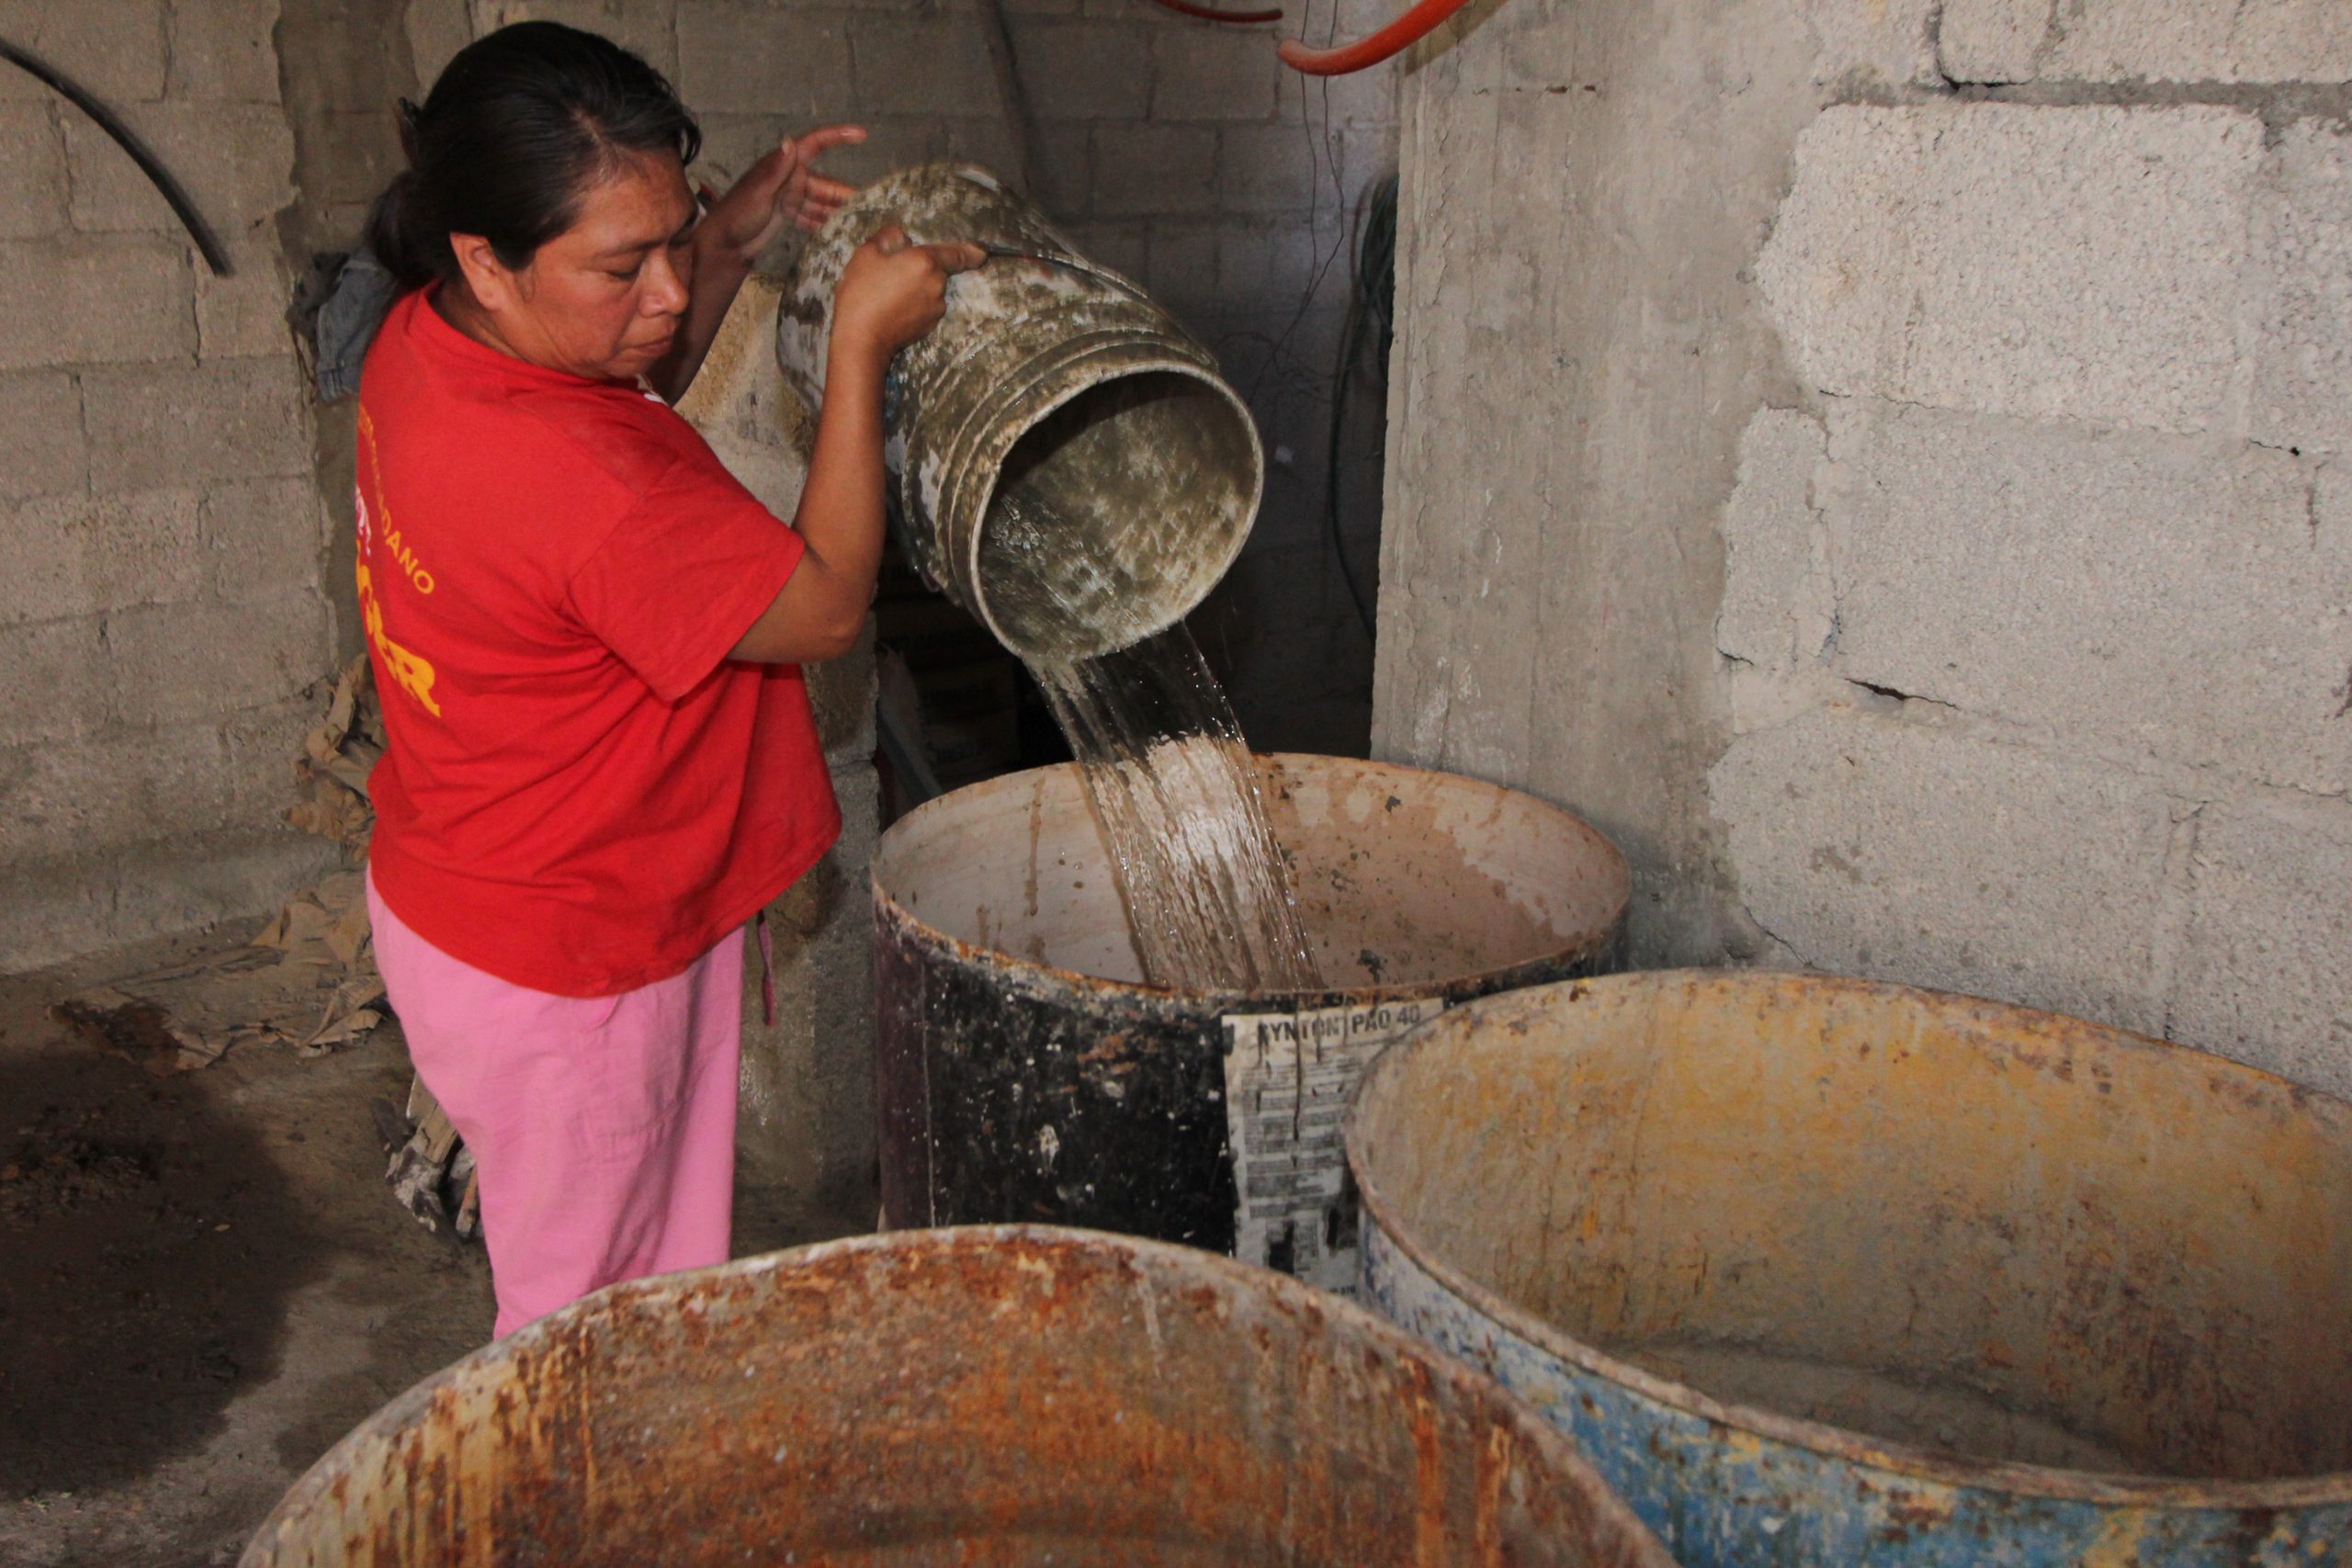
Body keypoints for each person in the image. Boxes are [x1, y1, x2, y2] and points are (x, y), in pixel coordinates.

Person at [353, 20, 984, 1338]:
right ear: (487, 252)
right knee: (578, 1341)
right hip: (570, 961)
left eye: (674, 234)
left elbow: (631, 377)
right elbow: (819, 606)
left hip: (491, 893)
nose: (661, 294)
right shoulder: (580, 485)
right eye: (622, 265)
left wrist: (729, 237)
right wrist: (860, 344)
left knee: (645, 1288)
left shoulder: (434, 340)